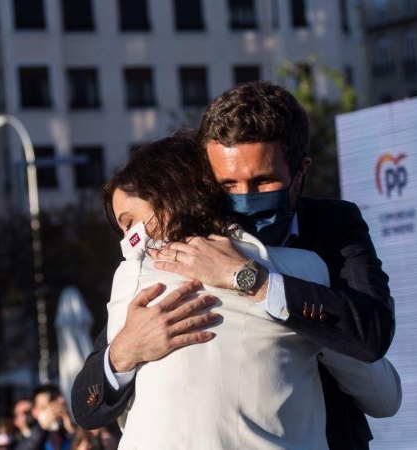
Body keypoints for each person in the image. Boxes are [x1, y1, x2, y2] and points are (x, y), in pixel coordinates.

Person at [71, 82, 396, 449]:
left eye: (263, 180)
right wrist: (125, 351)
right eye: (228, 184)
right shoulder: (166, 261)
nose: (245, 196)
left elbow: (371, 334)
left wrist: (249, 279)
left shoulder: (332, 229)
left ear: (300, 169)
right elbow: (87, 405)